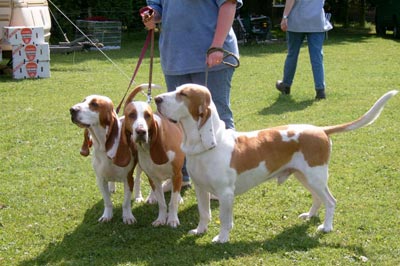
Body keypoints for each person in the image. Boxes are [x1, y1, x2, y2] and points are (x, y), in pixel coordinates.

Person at [141, 0, 242, 190]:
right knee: (175, 120)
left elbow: (228, 4)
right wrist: (151, 15)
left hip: (212, 56)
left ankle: (224, 177)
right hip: (175, 57)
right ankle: (182, 175)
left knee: (217, 114)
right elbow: (157, 7)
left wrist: (218, 46)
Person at [276, 0, 332, 100]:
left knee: (292, 54)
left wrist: (285, 17)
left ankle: (286, 85)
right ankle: (320, 90)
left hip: (297, 21)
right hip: (317, 21)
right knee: (317, 57)